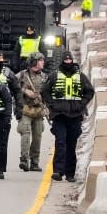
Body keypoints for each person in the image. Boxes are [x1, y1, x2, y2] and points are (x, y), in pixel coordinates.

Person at [42, 50, 94, 182]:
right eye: (65, 61)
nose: (68, 63)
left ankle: (70, 173)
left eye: (69, 60)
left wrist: (81, 104)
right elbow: (44, 91)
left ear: (72, 61)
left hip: (75, 115)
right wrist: (52, 105)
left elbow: (89, 91)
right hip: (59, 115)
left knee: (71, 144)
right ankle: (58, 171)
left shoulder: (81, 77)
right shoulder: (54, 76)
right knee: (60, 142)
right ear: (62, 62)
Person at [16, 53, 47, 172]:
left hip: (38, 110)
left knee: (38, 135)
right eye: (40, 60)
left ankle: (35, 162)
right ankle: (24, 159)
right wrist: (25, 91)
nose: (43, 62)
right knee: (25, 132)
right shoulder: (22, 75)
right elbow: (12, 86)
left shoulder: (44, 77)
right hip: (26, 109)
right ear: (34, 62)